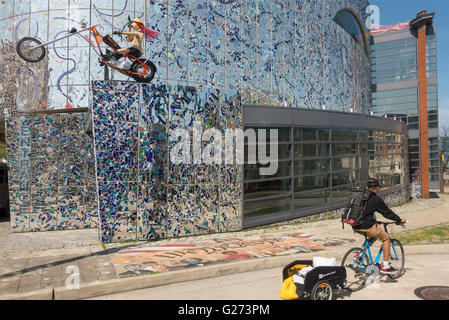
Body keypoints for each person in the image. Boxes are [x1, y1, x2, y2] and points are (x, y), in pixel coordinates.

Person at [353, 178, 406, 275]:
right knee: (386, 239)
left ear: (367, 187)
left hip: (355, 225)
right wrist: (398, 219)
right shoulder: (375, 198)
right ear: (377, 188)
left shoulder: (360, 196)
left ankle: (359, 255)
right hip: (367, 226)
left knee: (373, 234)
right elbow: (387, 213)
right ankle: (385, 266)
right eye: (378, 188)